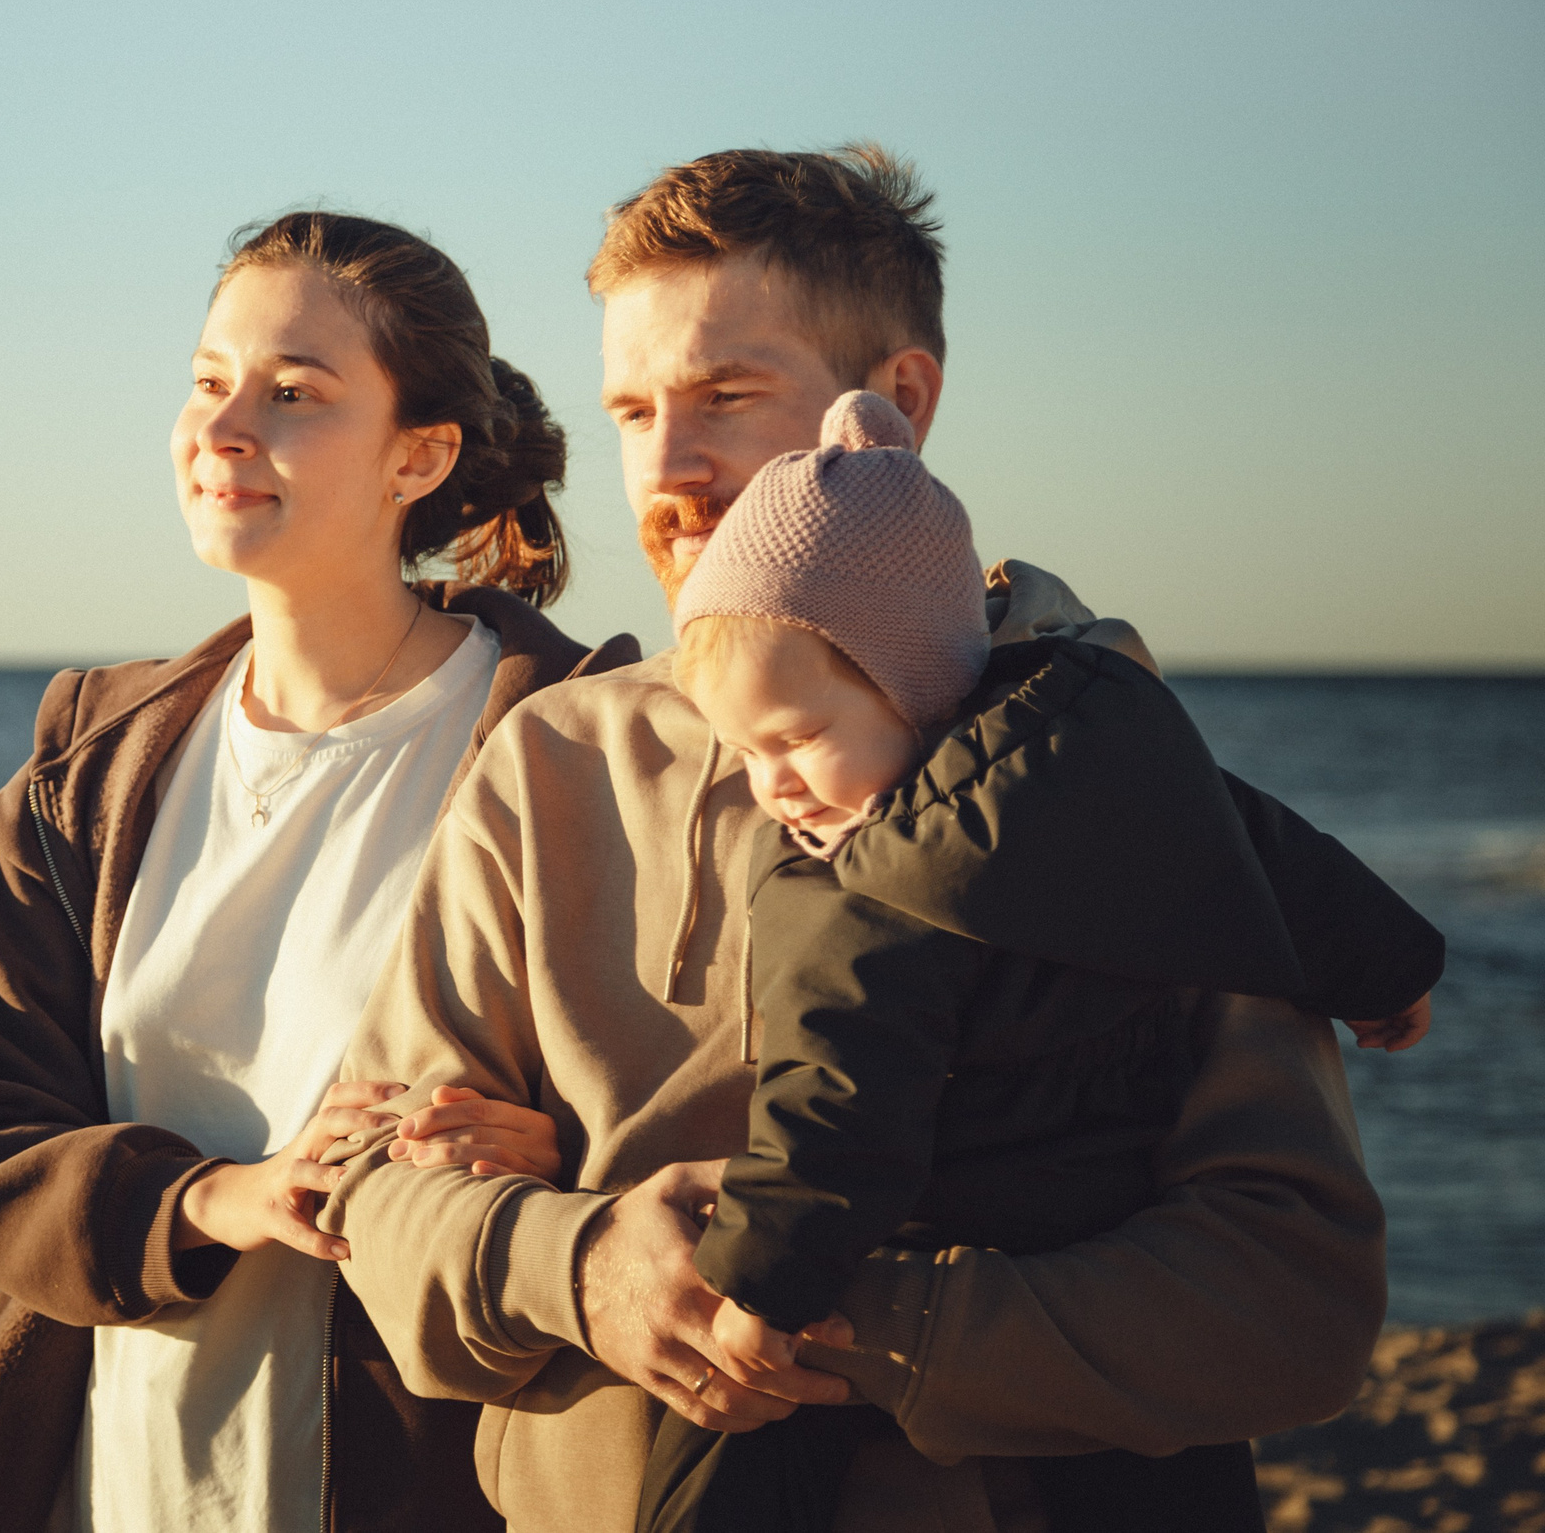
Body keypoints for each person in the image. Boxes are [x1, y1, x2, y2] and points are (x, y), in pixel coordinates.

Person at [320, 145, 1401, 1532]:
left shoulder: (1111, 765)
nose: (666, 465)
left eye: (726, 395)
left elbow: (1293, 1300)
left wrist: (831, 1318)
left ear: (900, 402)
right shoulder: (552, 760)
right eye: (633, 410)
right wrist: (580, 1265)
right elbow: (371, 1205)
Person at [0, 211, 640, 1533]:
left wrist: (564, 1153)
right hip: (118, 1485)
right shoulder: (92, 770)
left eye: (293, 394)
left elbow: (706, 1108)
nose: (223, 428)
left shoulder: (573, 746)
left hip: (437, 1487)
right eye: (208, 380)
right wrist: (213, 1197)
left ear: (419, 455)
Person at [635, 387, 1443, 1533]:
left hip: (948, 1232)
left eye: (797, 739)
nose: (774, 788)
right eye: (742, 753)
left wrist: (759, 1288)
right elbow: (1256, 845)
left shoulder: (863, 887)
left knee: (712, 1470)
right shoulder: (1107, 740)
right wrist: (1384, 967)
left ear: (910, 677)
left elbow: (834, 1107)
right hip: (1114, 1216)